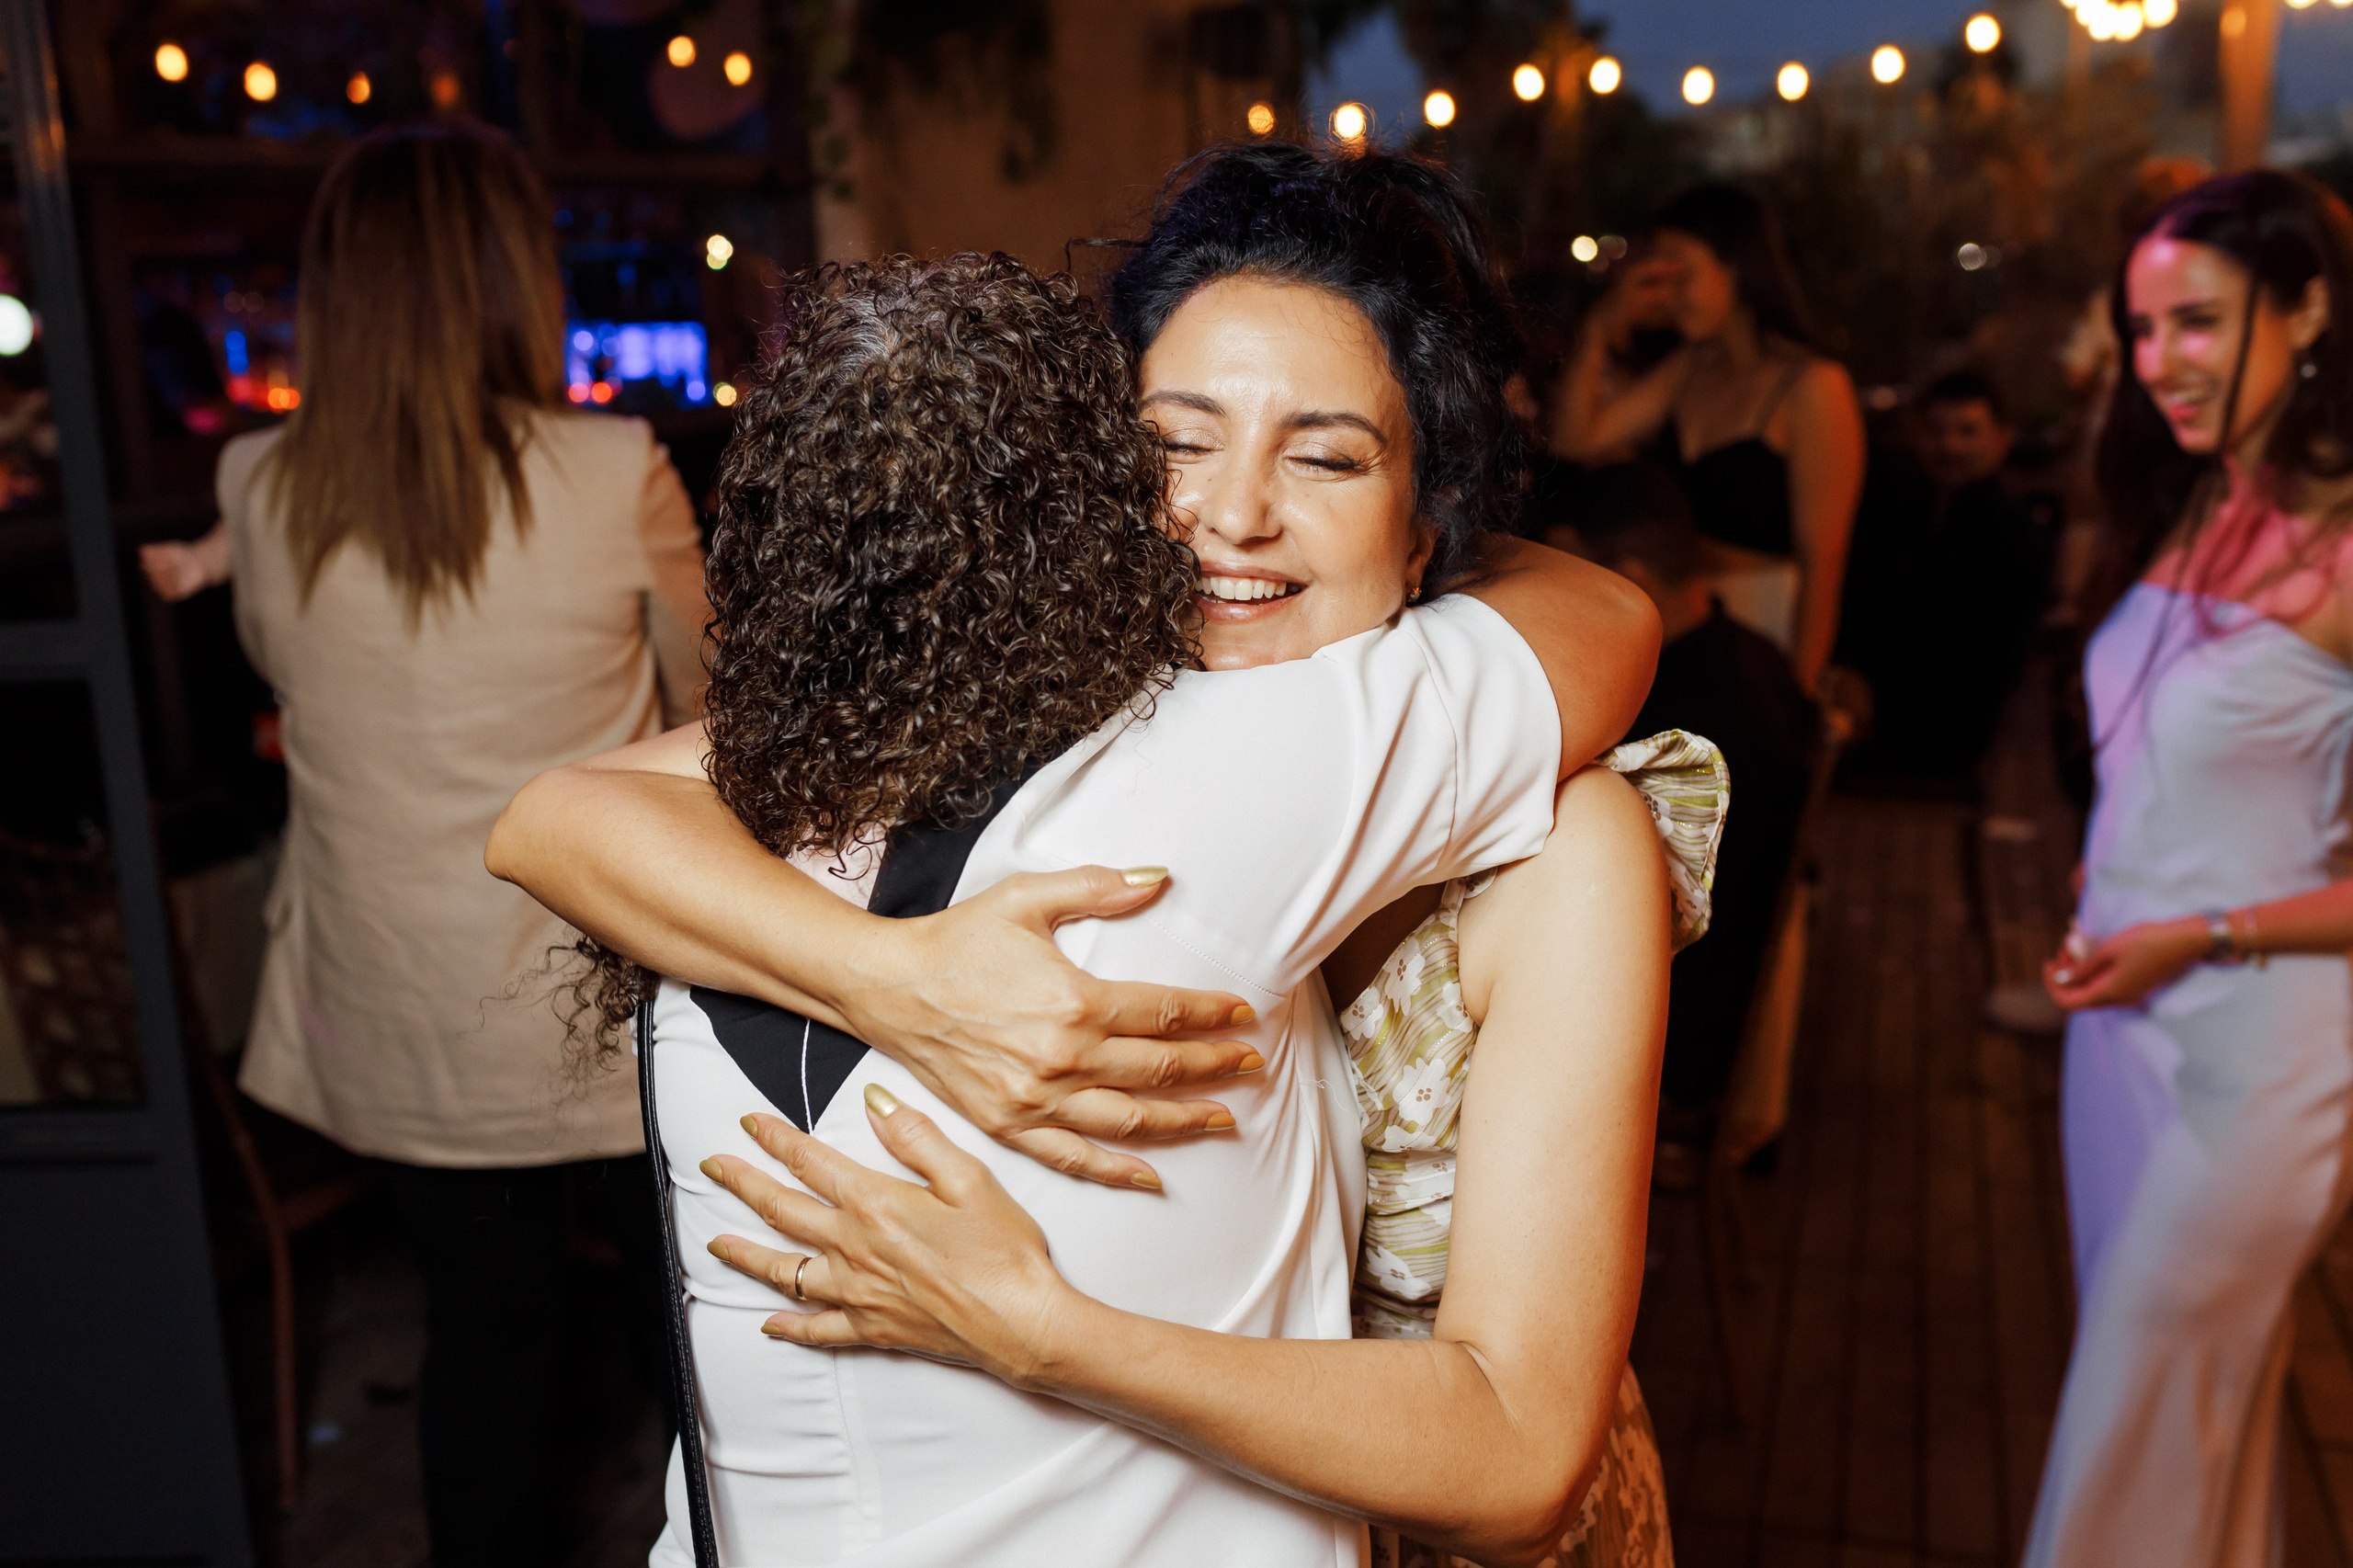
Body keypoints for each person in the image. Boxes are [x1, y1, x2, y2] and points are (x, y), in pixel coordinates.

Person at [489, 144, 1678, 1567]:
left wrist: (1055, 1333)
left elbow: (1521, 1446)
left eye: (1326, 455)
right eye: (1175, 442)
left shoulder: (1544, 830)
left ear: (1427, 531)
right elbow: (561, 814)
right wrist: (895, 978)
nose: (1234, 514)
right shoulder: (1034, 720)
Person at [143, 123, 710, 1567]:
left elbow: (288, 671)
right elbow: (720, 709)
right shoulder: (611, 468)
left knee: (487, 1336)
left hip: (404, 1019)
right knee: (697, 1361)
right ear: (514, 279)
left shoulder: (260, 489)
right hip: (600, 1012)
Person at [2029, 168, 2353, 1567]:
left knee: (2131, 1420)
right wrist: (2113, 912)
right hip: (2119, 1031)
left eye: (2201, 322)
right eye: (2143, 328)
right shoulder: (2189, 505)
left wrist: (2198, 931)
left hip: (2258, 1054)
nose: (2162, 362)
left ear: (2311, 309)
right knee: (2192, 1412)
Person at [1568, 462, 1814, 1150]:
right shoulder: (1752, 657)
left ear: (1629, 575)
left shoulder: (1683, 722)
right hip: (1715, 993)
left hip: (1684, 1027)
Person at [1552, 182, 1865, 693]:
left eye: (1680, 275)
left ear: (1736, 267)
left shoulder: (1813, 386)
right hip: (1689, 626)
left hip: (1770, 625)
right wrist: (1598, 329)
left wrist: (1800, 696)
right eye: (1657, 278)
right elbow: (1577, 440)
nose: (1666, 296)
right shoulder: (1689, 369)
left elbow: (1824, 563)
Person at [1837, 369, 2048, 782]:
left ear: (2000, 439)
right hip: (1868, 726)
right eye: (1936, 431)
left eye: (1967, 432)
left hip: (1947, 739)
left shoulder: (2014, 533)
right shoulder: (1891, 513)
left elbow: (1994, 653)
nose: (1949, 446)